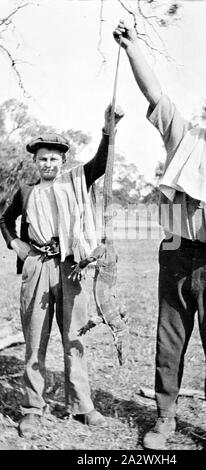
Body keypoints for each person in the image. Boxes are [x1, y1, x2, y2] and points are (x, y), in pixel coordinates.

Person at [113, 20, 206, 450]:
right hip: (177, 250)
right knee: (170, 339)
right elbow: (156, 94)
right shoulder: (184, 140)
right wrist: (134, 47)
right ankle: (165, 418)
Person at [0, 105, 124, 438]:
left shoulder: (77, 180)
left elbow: (100, 162)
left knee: (75, 338)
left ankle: (82, 406)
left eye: (54, 159)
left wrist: (108, 130)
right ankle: (32, 408)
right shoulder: (27, 191)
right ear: (35, 162)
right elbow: (4, 219)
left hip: (72, 266)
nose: (48, 164)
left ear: (63, 162)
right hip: (37, 266)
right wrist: (16, 245)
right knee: (35, 339)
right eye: (43, 159)